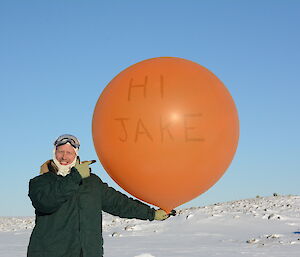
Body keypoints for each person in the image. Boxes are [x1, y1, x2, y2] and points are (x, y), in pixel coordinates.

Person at [27, 134, 175, 257]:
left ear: (76, 154)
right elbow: (46, 203)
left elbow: (119, 203)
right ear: (54, 153)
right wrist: (75, 177)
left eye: (69, 152)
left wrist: (151, 213)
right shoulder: (41, 182)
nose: (64, 156)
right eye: (60, 151)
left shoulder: (92, 182)